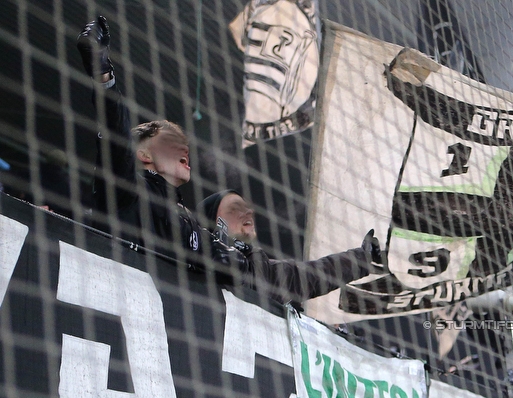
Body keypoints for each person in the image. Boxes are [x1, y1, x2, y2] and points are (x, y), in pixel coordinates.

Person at [77, 16, 381, 303]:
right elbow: (115, 138)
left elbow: (290, 279)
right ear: (142, 155)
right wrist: (103, 74)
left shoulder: (202, 235)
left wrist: (360, 260)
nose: (184, 147)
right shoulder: (128, 192)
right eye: (170, 139)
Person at [198, 189, 382, 304]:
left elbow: (314, 275)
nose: (249, 212)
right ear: (213, 223)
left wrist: (362, 258)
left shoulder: (265, 272)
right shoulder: (192, 262)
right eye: (235, 208)